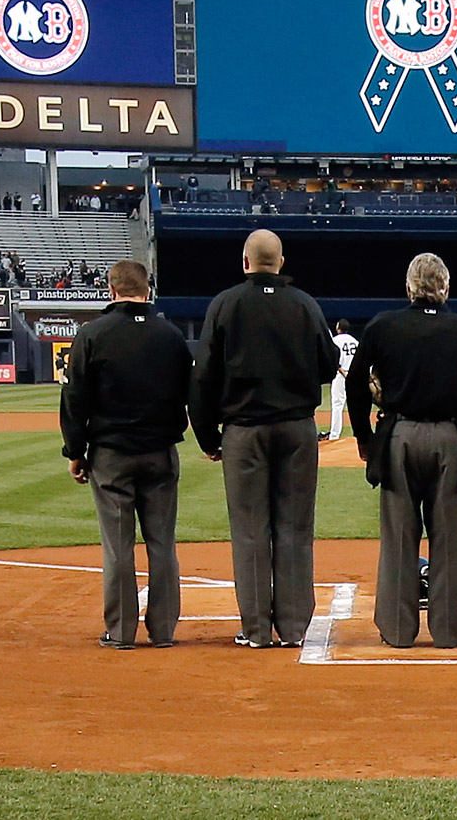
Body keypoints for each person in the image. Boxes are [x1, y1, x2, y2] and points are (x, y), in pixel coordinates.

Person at [189, 229, 338, 649]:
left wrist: (207, 437)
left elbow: (202, 376)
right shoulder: (305, 304)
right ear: (281, 262)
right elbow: (329, 365)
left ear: (245, 262)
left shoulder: (225, 304)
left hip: (243, 431)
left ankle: (255, 630)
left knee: (251, 530)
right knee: (294, 527)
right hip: (296, 428)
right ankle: (293, 629)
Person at [345, 253, 457, 648]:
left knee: (398, 537)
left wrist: (364, 437)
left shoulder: (383, 325)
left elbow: (355, 381)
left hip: (399, 435)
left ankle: (396, 630)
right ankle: (448, 630)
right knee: (450, 539)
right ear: (445, 288)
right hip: (450, 436)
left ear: (409, 287)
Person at [60, 260, 195, 650]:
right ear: (147, 289)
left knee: (118, 545)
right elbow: (190, 394)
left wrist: (75, 450)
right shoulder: (171, 335)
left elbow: (74, 398)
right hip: (160, 451)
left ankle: (120, 632)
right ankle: (164, 630)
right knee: (162, 543)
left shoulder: (92, 334)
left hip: (111, 454)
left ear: (111, 290)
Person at [327, 320, 359, 441]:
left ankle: (334, 436)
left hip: (342, 376)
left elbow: (334, 361)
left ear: (338, 327)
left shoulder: (335, 341)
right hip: (354, 375)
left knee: (337, 405)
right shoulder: (354, 341)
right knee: (357, 406)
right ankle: (360, 434)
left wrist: (344, 374)